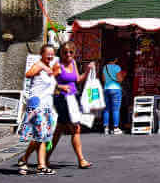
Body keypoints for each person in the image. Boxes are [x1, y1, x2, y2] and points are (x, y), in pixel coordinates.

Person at [46, 41, 94, 169]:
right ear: (60, 53)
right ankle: (81, 160)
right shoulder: (58, 66)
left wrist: (88, 70)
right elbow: (47, 81)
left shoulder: (73, 63)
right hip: (62, 99)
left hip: (73, 98)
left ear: (74, 53)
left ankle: (44, 158)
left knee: (59, 130)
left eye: (71, 52)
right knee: (75, 128)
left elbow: (77, 80)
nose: (68, 54)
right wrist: (61, 86)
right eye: (65, 52)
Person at [17, 45, 60, 176]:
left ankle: (31, 162)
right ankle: (33, 162)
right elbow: (28, 74)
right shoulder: (39, 65)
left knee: (43, 137)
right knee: (39, 136)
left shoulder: (50, 68)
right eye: (48, 54)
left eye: (52, 54)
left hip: (46, 106)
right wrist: (40, 67)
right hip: (37, 106)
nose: (50, 56)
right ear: (42, 54)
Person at [101, 55, 126, 135]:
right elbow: (120, 79)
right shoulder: (117, 67)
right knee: (116, 109)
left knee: (106, 109)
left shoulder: (105, 68)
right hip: (115, 89)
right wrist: (123, 76)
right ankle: (115, 128)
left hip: (106, 89)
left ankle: (106, 128)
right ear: (115, 60)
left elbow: (103, 80)